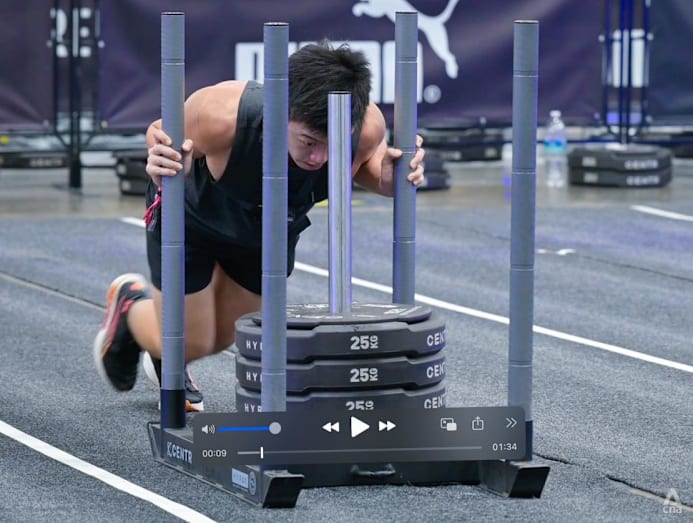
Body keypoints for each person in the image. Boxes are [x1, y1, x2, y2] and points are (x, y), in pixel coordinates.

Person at [93, 41, 425, 412]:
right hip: (194, 219)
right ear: (282, 110)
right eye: (309, 141)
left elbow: (374, 171)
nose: (320, 158)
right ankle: (132, 312)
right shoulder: (220, 114)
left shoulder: (363, 129)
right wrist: (165, 158)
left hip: (267, 231)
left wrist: (394, 179)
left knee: (229, 335)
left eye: (333, 144)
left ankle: (167, 346)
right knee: (192, 341)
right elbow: (160, 131)